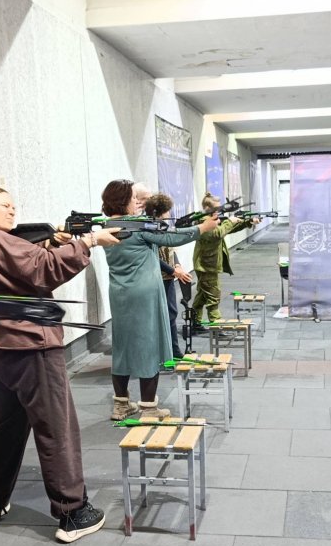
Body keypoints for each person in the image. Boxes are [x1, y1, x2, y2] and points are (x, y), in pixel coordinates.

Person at [0, 187, 122, 543]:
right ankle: (73, 513)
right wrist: (89, 241)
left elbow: (21, 266)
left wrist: (54, 241)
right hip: (29, 346)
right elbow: (44, 269)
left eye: (14, 205)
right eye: (4, 205)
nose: (12, 210)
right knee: (56, 427)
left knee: (5, 427)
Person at [101, 179, 217, 419]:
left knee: (122, 347)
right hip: (144, 294)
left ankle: (121, 404)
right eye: (134, 199)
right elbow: (171, 238)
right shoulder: (136, 226)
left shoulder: (106, 226)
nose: (137, 203)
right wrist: (202, 228)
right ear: (123, 201)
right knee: (149, 346)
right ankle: (148, 408)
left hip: (120, 293)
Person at [191, 193, 259, 331]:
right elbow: (218, 234)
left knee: (203, 294)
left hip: (208, 264)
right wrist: (230, 221)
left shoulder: (211, 219)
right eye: (217, 208)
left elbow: (227, 229)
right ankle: (217, 326)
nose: (220, 210)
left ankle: (195, 321)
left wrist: (247, 222)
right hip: (206, 265)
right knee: (213, 296)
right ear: (207, 208)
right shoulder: (203, 222)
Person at [144, 193, 192, 359]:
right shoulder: (150, 228)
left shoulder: (162, 226)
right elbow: (153, 257)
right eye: (168, 210)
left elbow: (171, 250)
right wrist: (173, 271)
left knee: (171, 313)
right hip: (159, 278)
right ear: (161, 211)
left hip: (168, 276)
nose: (170, 213)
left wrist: (177, 265)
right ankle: (168, 352)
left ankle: (173, 351)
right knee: (165, 315)